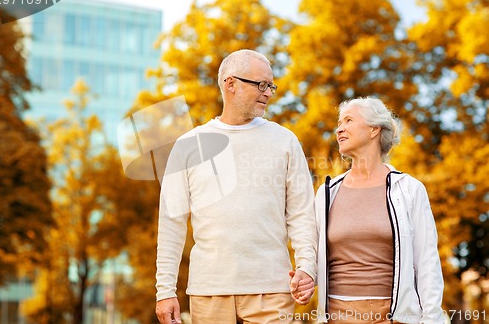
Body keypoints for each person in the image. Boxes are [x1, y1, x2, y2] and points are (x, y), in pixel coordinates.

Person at [155, 49, 317, 324]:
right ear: (230, 84)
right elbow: (172, 223)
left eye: (271, 86)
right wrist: (165, 290)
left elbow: (302, 213)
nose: (268, 92)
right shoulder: (188, 145)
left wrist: (307, 267)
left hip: (272, 289)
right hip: (209, 290)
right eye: (261, 84)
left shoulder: (285, 141)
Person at [314, 97, 444, 324]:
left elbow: (427, 262)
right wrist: (304, 277)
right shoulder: (327, 193)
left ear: (374, 129)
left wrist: (432, 319)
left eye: (349, 120)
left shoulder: (409, 190)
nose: (339, 129)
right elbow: (314, 256)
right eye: (339, 123)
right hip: (337, 315)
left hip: (394, 317)